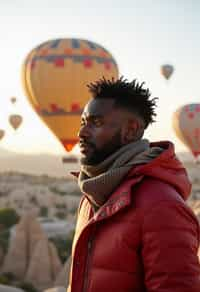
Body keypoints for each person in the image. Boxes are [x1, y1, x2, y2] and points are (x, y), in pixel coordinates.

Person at [67, 77, 200, 292]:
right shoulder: (91, 197)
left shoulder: (161, 205)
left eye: (96, 123)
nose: (81, 133)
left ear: (131, 130)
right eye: (83, 123)